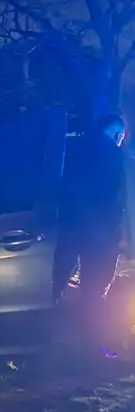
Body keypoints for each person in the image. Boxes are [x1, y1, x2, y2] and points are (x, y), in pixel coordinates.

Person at [54, 113, 127, 345]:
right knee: (95, 290)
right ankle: (92, 343)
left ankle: (65, 337)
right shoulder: (114, 157)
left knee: (63, 283)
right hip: (101, 236)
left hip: (71, 229)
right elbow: (116, 199)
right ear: (116, 134)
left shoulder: (73, 150)